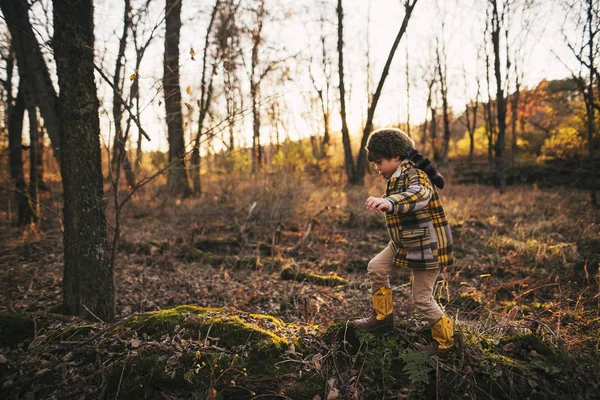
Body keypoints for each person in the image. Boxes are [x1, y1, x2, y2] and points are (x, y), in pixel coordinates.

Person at [351, 128, 454, 353]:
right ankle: (383, 318)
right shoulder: (396, 176)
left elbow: (419, 195)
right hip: (405, 242)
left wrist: (390, 202)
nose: (377, 168)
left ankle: (445, 342)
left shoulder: (415, 174)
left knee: (422, 299)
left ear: (396, 157)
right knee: (376, 267)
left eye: (379, 162)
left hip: (428, 246)